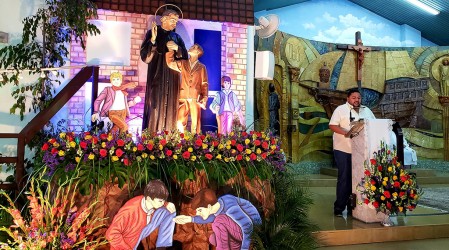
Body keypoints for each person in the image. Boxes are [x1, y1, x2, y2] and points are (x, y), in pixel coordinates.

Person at [140, 9, 188, 133]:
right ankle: (152, 138)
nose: (174, 23)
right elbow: (146, 57)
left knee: (171, 107)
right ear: (163, 19)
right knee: (154, 106)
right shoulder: (152, 33)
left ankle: (168, 139)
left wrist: (178, 48)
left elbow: (185, 60)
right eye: (172, 20)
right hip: (157, 75)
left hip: (172, 79)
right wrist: (153, 41)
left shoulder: (177, 37)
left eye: (176, 21)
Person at [328, 89, 375, 217]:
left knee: (358, 179)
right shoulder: (340, 109)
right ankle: (339, 208)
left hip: (361, 151)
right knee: (345, 178)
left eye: (359, 98)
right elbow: (332, 125)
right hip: (343, 149)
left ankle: (353, 207)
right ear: (348, 98)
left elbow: (374, 125)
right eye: (354, 97)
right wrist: (346, 132)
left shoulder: (367, 110)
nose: (357, 100)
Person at [173, 188, 262, 250]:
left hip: (253, 232)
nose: (198, 213)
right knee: (213, 238)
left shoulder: (230, 208)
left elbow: (247, 225)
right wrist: (189, 219)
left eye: (200, 210)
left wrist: (245, 248)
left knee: (219, 222)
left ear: (208, 206)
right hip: (240, 232)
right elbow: (211, 217)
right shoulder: (218, 204)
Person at [105, 180, 176, 249]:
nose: (163, 203)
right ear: (149, 198)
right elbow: (111, 233)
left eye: (164, 200)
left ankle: (161, 247)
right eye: (161, 201)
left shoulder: (150, 200)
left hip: (143, 227)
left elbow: (161, 203)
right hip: (127, 241)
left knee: (169, 211)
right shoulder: (130, 210)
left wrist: (167, 204)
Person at [166, 43, 208, 134]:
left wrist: (204, 98)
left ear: (197, 52)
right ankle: (181, 141)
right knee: (180, 121)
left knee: (195, 122)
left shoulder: (202, 67)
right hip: (183, 96)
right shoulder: (183, 63)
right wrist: (170, 50)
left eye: (193, 47)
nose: (190, 48)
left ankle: (196, 142)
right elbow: (170, 63)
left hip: (195, 98)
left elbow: (204, 84)